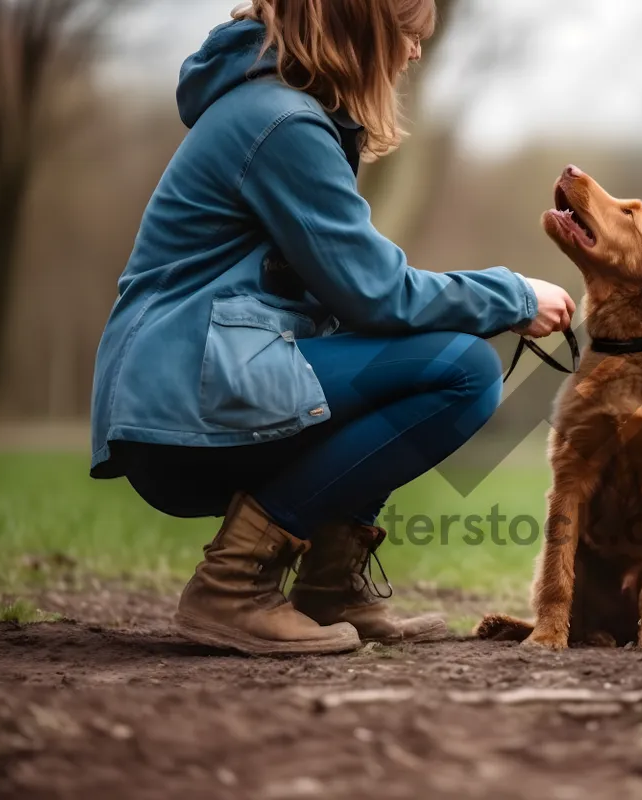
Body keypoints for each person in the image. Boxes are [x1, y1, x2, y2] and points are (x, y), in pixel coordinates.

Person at [88, 0, 576, 655]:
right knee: (463, 372)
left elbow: (359, 299)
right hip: (183, 401)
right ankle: (233, 585)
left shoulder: (282, 112)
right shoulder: (280, 123)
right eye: (406, 35)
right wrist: (511, 294)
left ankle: (329, 587)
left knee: (422, 360)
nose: (414, 53)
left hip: (201, 385)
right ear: (365, 29)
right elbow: (379, 293)